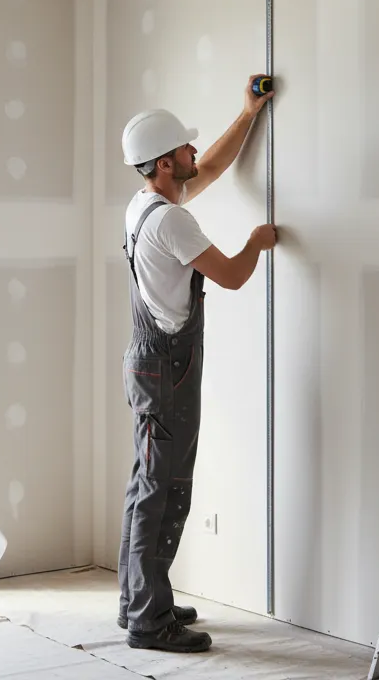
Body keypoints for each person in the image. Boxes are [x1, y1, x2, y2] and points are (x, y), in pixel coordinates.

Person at [116, 75, 277, 653]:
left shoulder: (144, 206)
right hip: (168, 370)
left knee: (146, 485)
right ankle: (149, 621)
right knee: (164, 488)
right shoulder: (171, 221)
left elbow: (208, 168)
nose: (192, 153)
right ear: (162, 163)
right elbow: (232, 276)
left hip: (150, 362)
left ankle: (141, 597)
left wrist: (248, 114)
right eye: (183, 148)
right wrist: (257, 242)